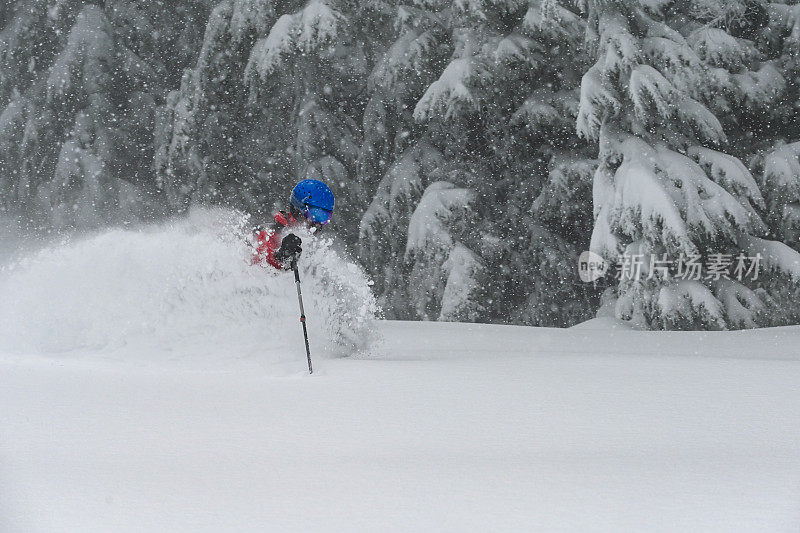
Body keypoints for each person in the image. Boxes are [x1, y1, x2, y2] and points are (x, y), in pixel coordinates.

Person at [251, 179, 335, 270]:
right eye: (315, 215)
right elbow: (256, 272)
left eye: (324, 217)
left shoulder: (316, 246)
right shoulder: (267, 234)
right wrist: (282, 256)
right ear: (298, 209)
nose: (318, 223)